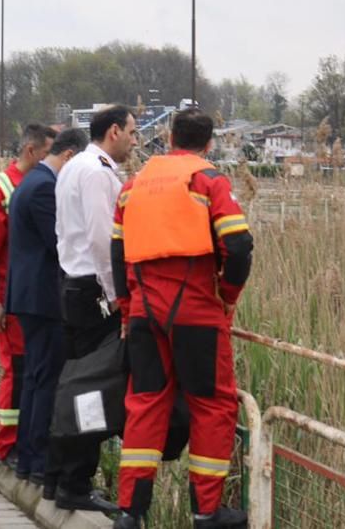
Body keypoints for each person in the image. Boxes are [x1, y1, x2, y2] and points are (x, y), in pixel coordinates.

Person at [110, 110, 253, 529]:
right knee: (212, 405)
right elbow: (239, 245)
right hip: (197, 312)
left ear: (170, 137)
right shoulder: (209, 181)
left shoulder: (132, 187)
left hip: (143, 313)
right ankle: (206, 512)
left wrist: (126, 306)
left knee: (145, 405)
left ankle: (129, 512)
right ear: (209, 144)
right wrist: (227, 296)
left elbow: (117, 254)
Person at [52, 104, 138, 513]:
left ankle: (64, 476)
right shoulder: (97, 172)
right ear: (115, 131)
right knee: (92, 384)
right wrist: (118, 294)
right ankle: (75, 481)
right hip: (93, 292)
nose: (136, 142)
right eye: (134, 134)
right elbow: (105, 241)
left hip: (74, 284)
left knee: (76, 380)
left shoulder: (74, 165)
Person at [0, 124, 56, 469]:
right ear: (32, 151)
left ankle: (23, 442)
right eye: (49, 152)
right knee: (17, 371)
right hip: (9, 301)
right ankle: (8, 444)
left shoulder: (37, 187)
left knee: (29, 372)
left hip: (28, 298)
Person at [5, 128, 88, 493]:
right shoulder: (42, 187)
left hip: (31, 298)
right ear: (69, 156)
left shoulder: (32, 180)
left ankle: (28, 459)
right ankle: (38, 460)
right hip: (42, 298)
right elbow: (59, 245)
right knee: (45, 380)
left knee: (36, 379)